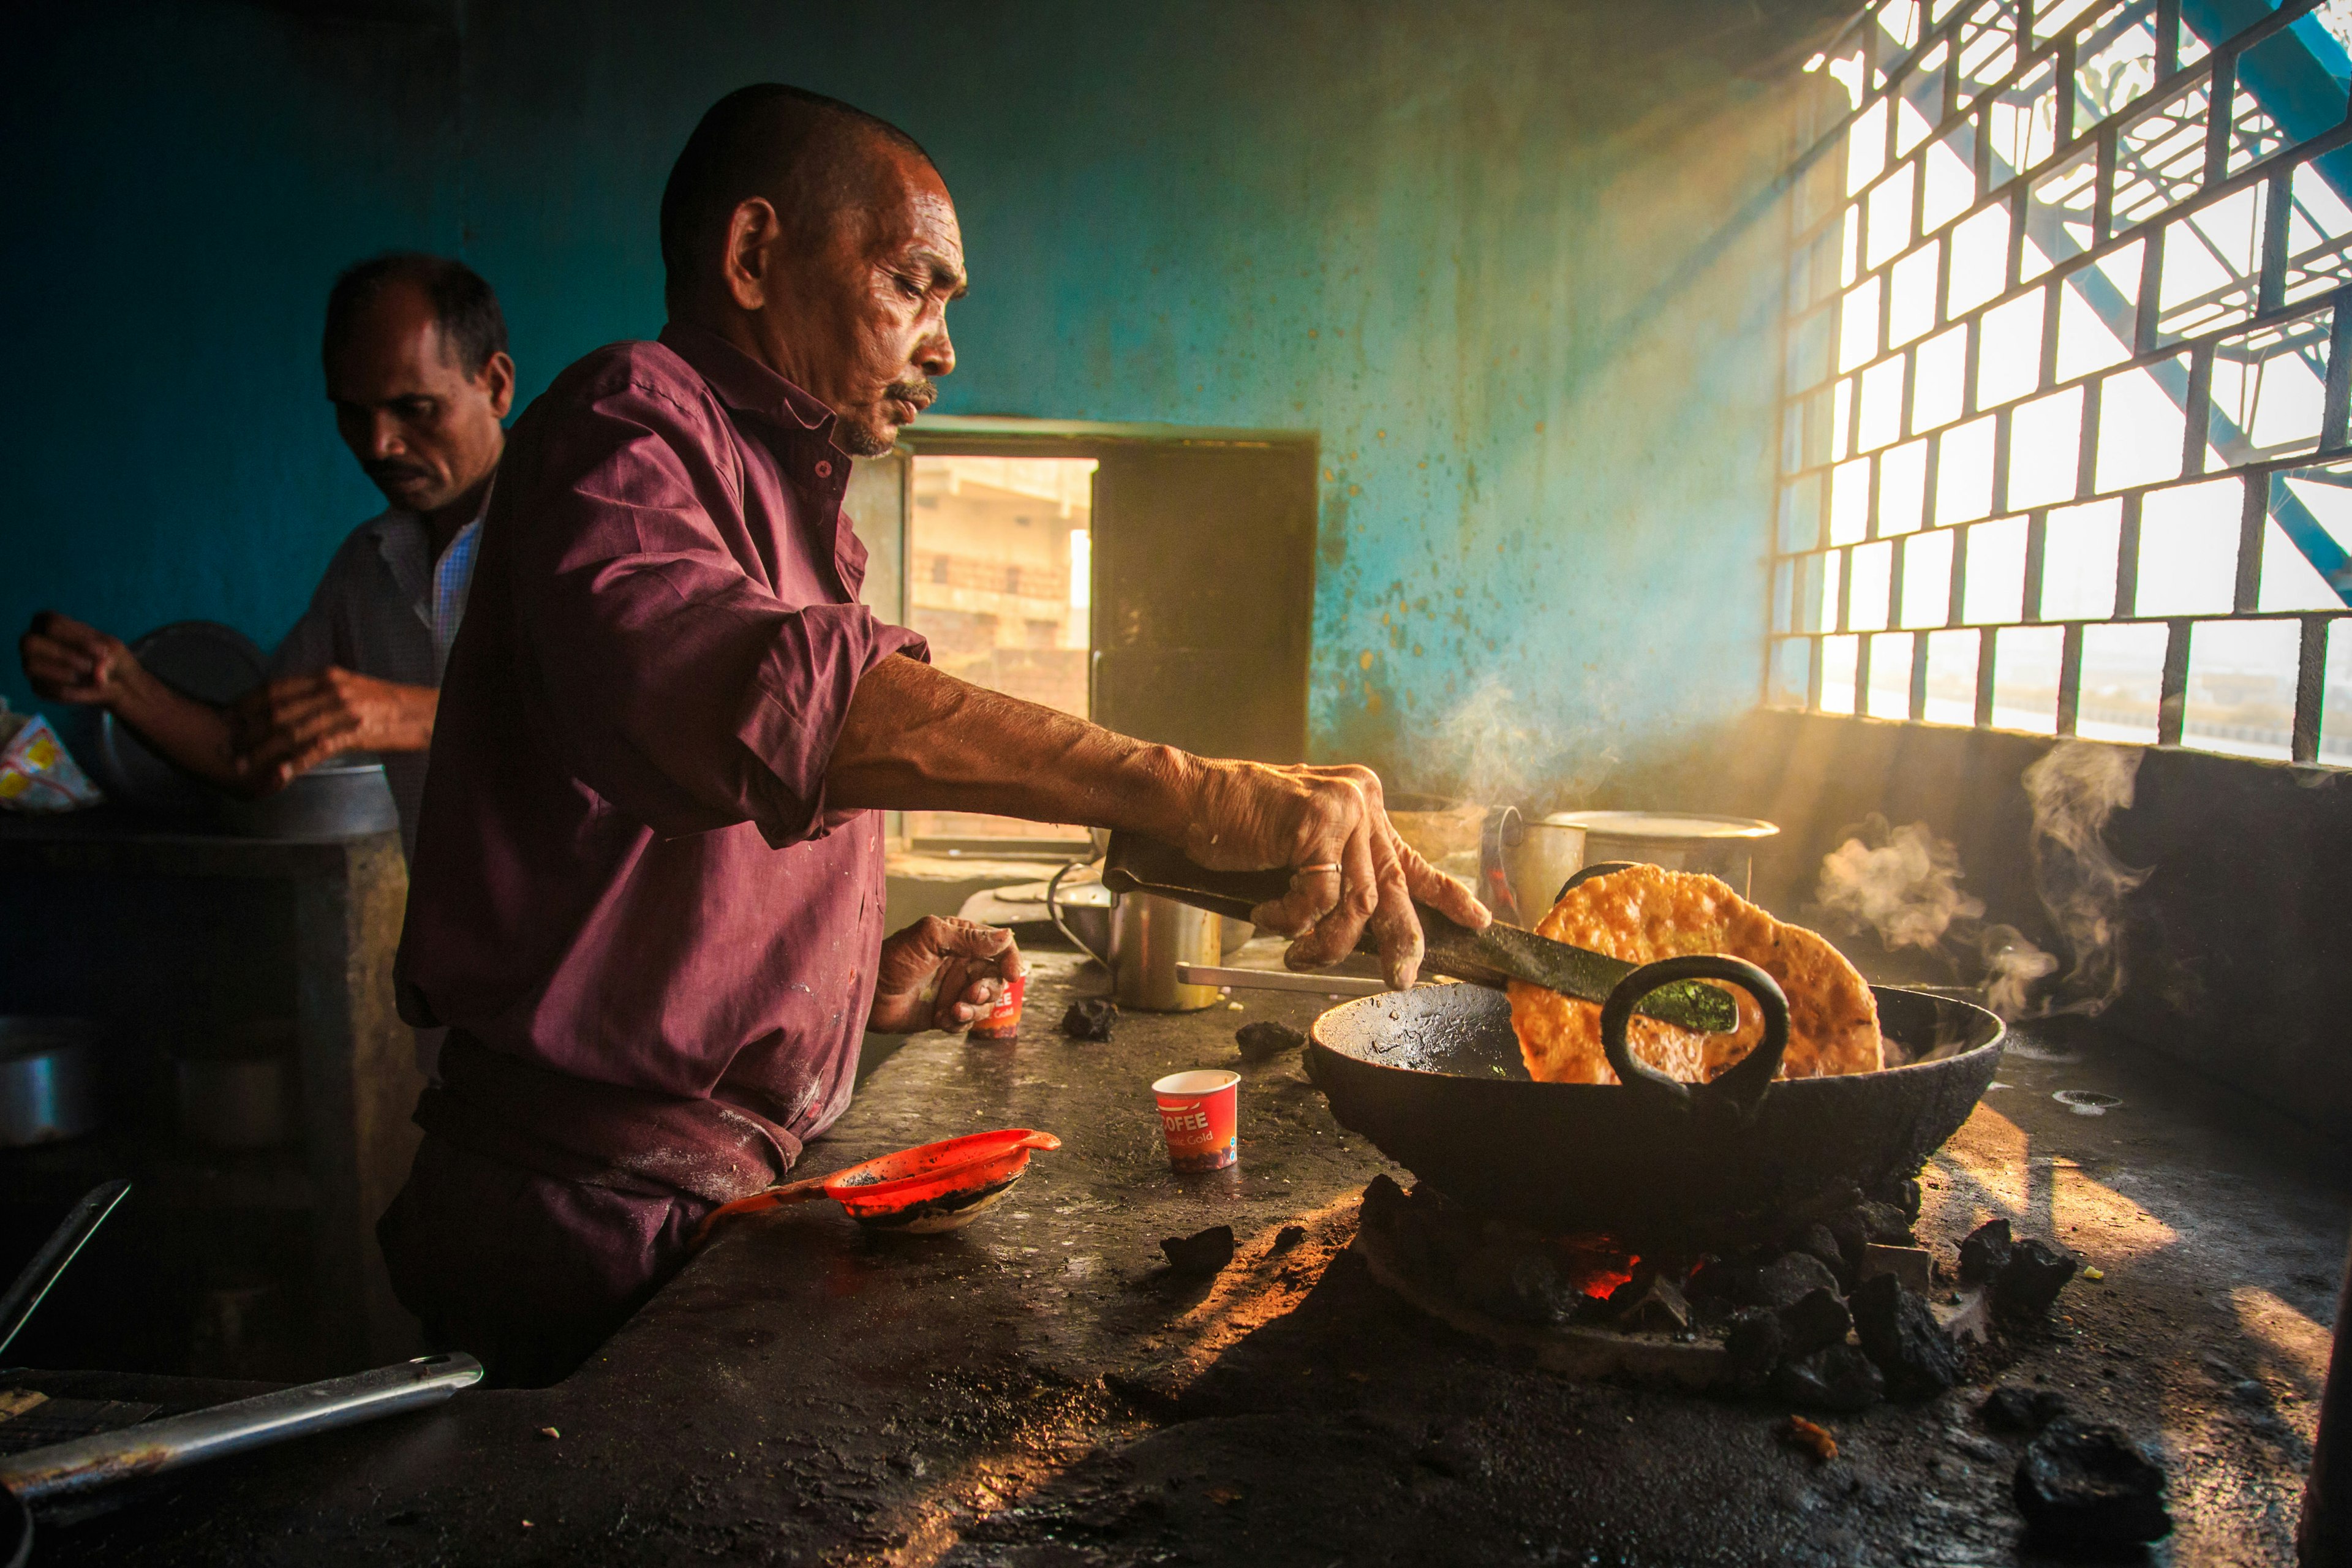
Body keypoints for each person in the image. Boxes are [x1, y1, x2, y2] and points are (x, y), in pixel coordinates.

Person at [380, 85, 1488, 1385]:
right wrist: (1187, 792)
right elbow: (774, 703)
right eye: (916, 284)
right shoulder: (628, 419)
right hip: (578, 1220)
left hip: (685, 1191)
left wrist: (857, 992)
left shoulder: (795, 506)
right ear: (752, 256)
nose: (944, 344)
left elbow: (685, 837)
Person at [18, 254, 515, 858]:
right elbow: (250, 751)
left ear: (495, 385)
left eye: (414, 408)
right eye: (352, 413)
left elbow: (632, 728)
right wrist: (122, 684)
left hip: (592, 947)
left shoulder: (574, 530)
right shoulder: (366, 569)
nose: (379, 443)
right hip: (454, 945)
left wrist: (409, 712)